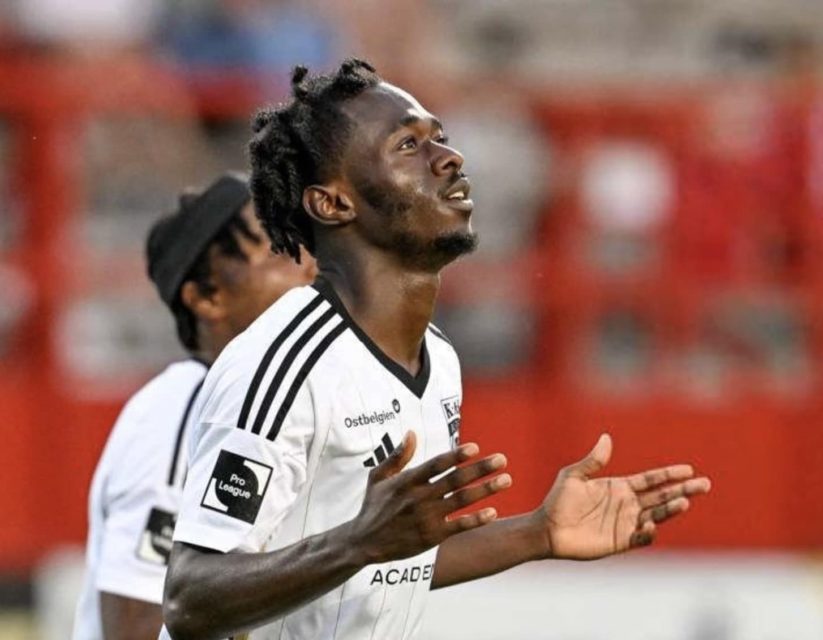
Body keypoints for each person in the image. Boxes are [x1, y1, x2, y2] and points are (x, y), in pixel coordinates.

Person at [161, 60, 711, 640]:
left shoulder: (438, 357)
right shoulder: (283, 366)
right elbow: (191, 596)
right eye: (408, 146)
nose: (449, 158)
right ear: (334, 203)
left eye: (439, 138)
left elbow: (386, 566)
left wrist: (538, 533)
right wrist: (359, 541)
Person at [72, 172, 316, 640]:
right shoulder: (176, 413)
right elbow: (137, 626)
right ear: (206, 297)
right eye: (277, 250)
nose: (309, 263)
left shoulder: (290, 399)